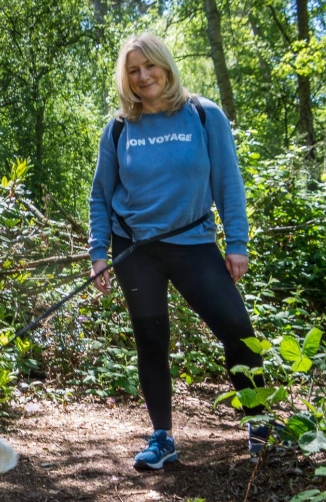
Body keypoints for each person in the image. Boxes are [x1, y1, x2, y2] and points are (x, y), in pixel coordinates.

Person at [88, 33, 270, 471]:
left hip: (194, 242)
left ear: (166, 66)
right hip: (136, 248)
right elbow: (100, 195)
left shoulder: (203, 116)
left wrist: (237, 243)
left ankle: (260, 425)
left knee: (238, 330)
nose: (143, 76)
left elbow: (229, 182)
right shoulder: (118, 128)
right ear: (125, 77)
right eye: (133, 70)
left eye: (150, 66)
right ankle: (162, 437)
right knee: (151, 340)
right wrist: (99, 252)